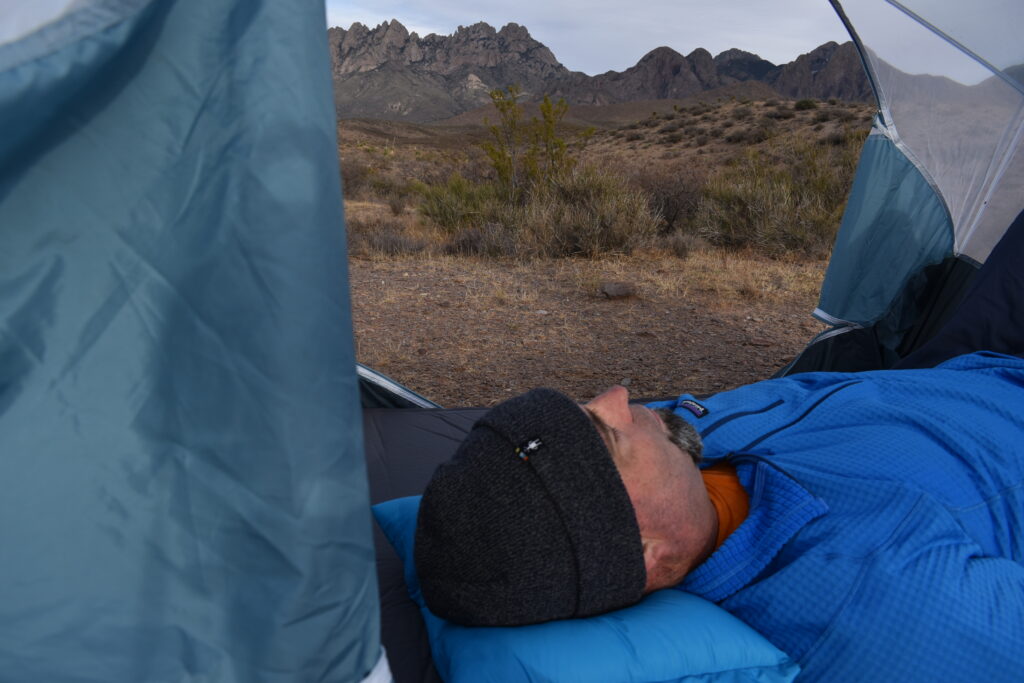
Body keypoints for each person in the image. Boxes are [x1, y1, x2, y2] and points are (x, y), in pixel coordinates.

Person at [414, 351, 1024, 681]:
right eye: (609, 432)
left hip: (965, 364)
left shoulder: (675, 458)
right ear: (646, 552)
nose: (621, 398)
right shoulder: (884, 599)